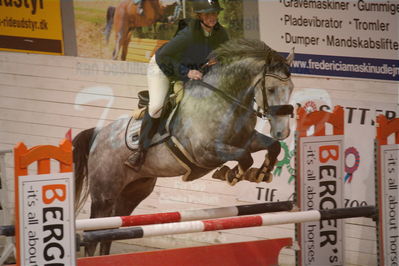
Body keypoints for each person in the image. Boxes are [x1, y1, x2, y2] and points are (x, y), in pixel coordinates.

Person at [125, 0, 229, 169]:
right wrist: (187, 73)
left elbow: (227, 52)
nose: (213, 17)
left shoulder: (220, 32)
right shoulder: (188, 34)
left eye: (215, 13)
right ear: (200, 15)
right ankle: (140, 152)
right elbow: (163, 56)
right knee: (157, 106)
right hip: (162, 67)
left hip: (191, 69)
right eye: (209, 13)